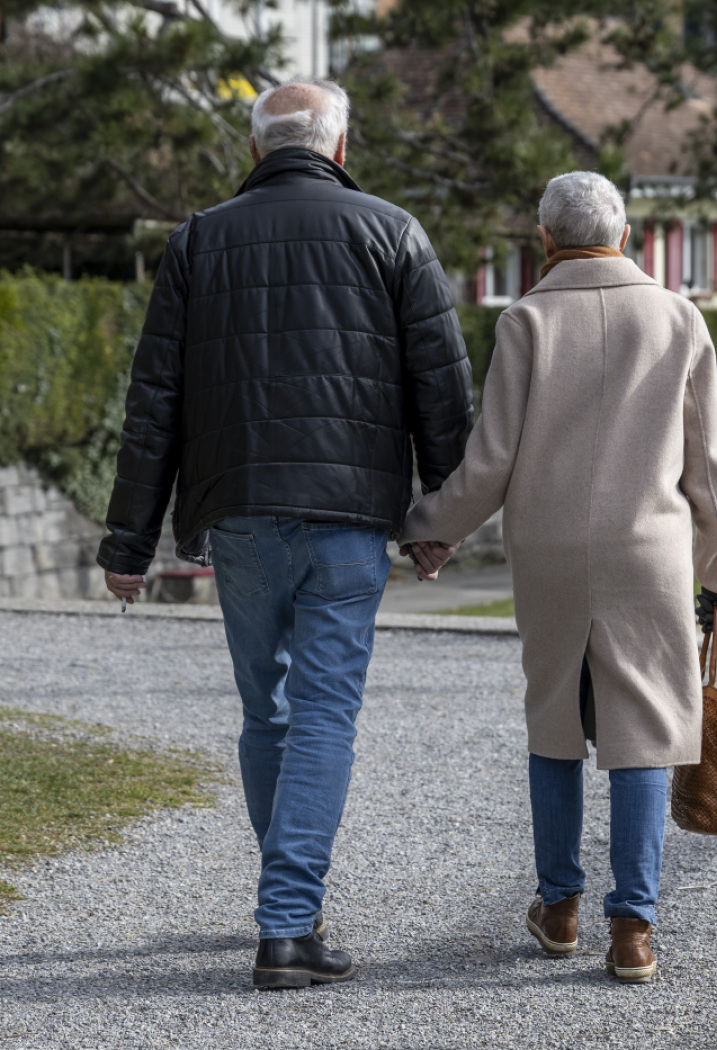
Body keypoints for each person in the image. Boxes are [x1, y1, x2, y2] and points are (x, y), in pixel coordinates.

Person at [96, 79, 473, 989]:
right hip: (348, 522)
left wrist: (127, 542)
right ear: (341, 147)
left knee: (265, 711)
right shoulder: (394, 232)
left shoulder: (198, 239)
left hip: (238, 515)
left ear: (258, 149)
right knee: (324, 717)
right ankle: (288, 921)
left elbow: (154, 405)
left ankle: (287, 903)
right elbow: (443, 391)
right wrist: (441, 519)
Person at [400, 170, 717, 984]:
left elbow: (490, 462)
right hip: (648, 552)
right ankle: (634, 929)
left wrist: (430, 531)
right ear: (625, 235)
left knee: (555, 721)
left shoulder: (525, 320)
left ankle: (559, 908)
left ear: (547, 240)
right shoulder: (676, 317)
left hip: (550, 550)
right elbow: (710, 464)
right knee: (649, 728)